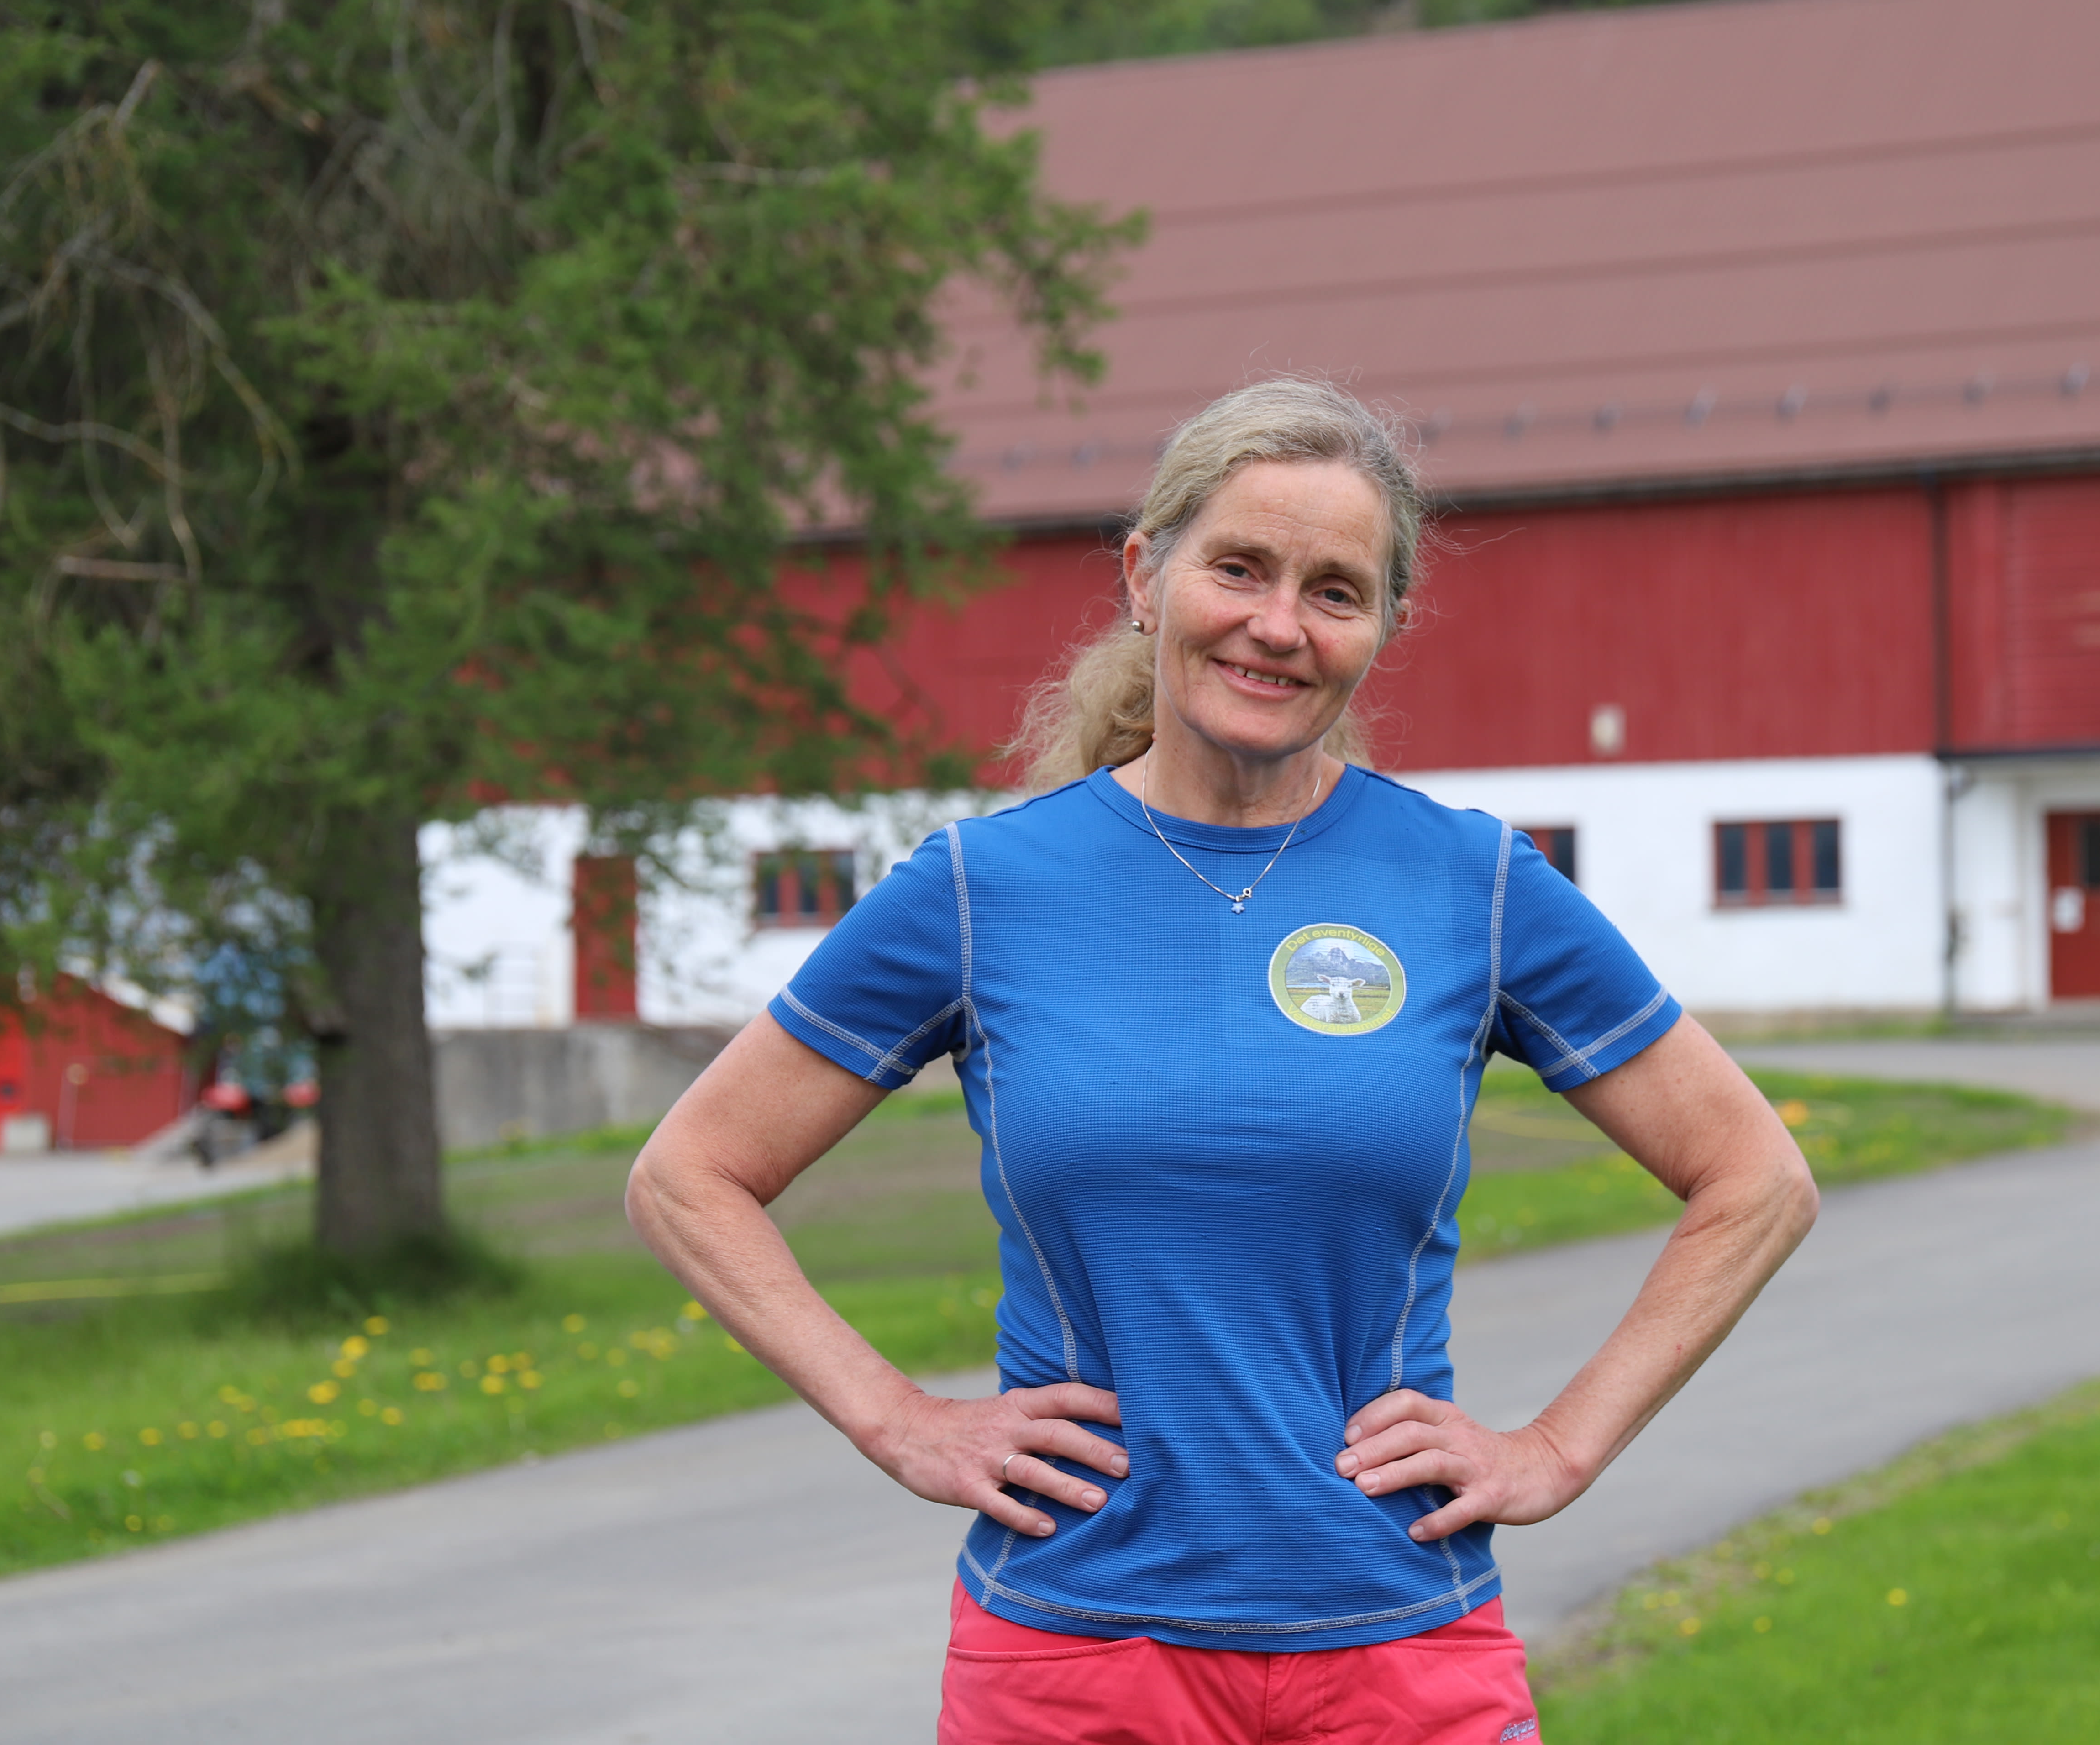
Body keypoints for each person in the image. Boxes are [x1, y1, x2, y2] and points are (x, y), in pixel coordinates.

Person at [626, 377, 1820, 1743]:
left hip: (1405, 1648)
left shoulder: (1470, 884)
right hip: (1076, 1659)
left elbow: (1755, 1179)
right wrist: (895, 1419)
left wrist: (1559, 1446)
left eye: (1334, 591)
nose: (1279, 625)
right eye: (1240, 568)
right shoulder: (982, 890)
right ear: (1147, 577)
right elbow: (689, 1175)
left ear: (1385, 626)